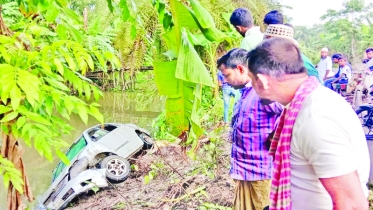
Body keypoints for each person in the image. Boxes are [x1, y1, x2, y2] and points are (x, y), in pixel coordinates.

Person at [245, 37, 369, 210]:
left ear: (263, 80)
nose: (251, 86)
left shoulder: (315, 118)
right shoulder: (309, 102)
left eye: (251, 79)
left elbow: (352, 204)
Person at [217, 48, 283, 210]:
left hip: (262, 173)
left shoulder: (264, 92)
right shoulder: (247, 92)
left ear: (240, 69)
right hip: (245, 170)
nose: (225, 81)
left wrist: (277, 136)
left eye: (227, 75)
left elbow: (292, 111)